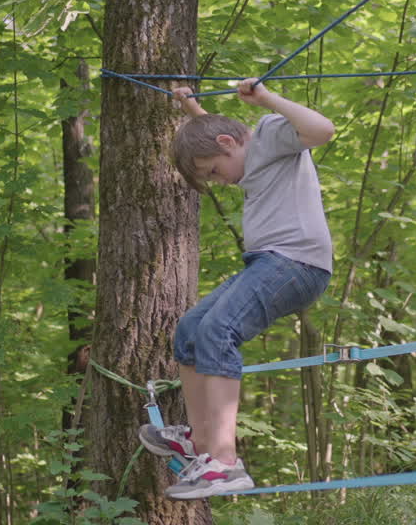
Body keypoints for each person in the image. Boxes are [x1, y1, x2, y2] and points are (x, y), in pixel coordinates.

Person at [137, 77, 334, 499]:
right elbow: (218, 139)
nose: (221, 181)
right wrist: (192, 108)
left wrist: (266, 97)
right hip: (268, 264)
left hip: (296, 263)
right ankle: (201, 445)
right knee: (191, 329)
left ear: (228, 144)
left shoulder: (268, 133)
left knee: (218, 330)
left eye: (213, 172)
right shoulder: (245, 156)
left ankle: (225, 464)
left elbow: (323, 130)